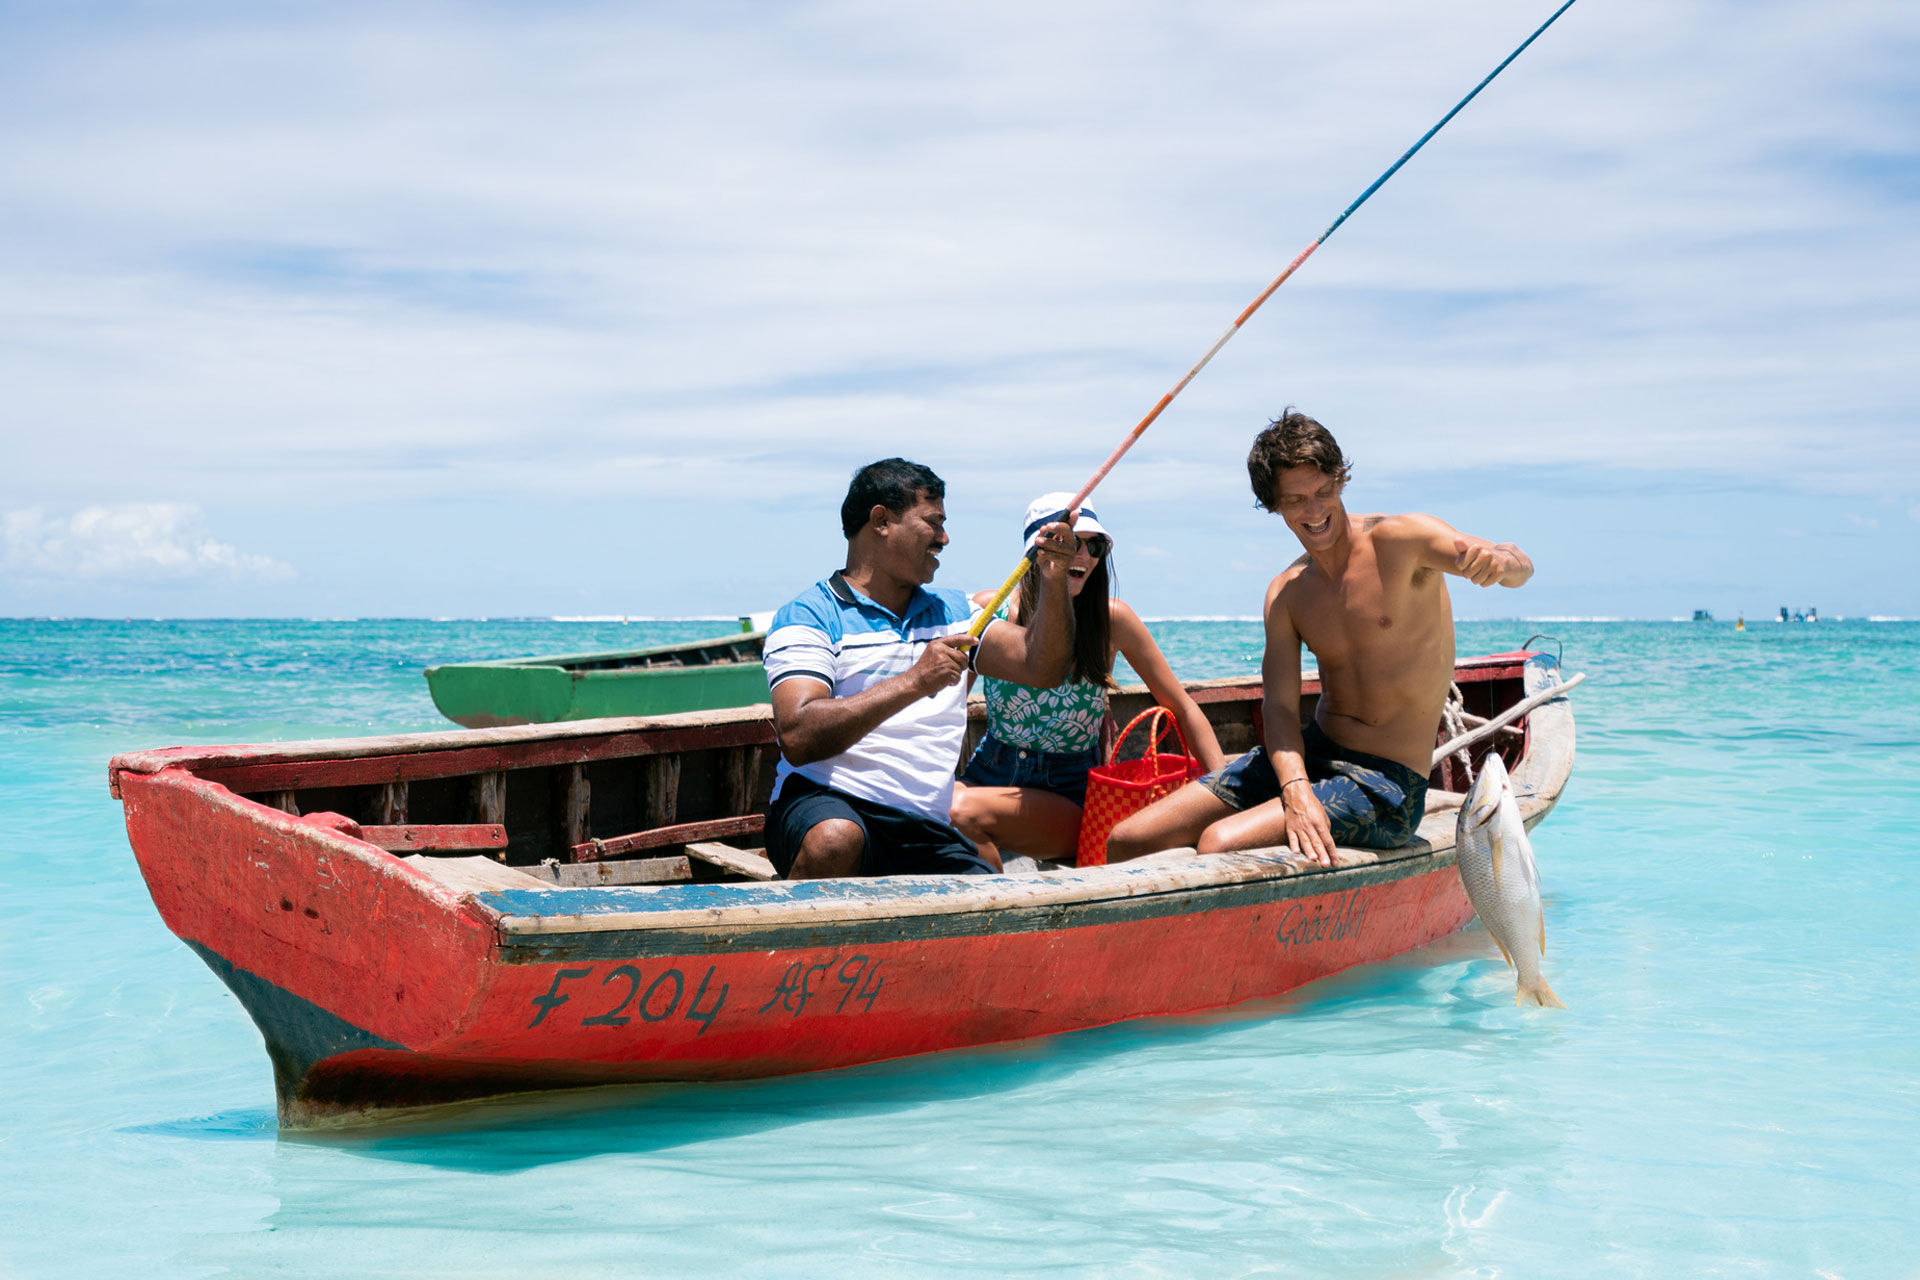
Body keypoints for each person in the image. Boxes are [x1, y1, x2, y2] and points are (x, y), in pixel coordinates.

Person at [1107, 408, 1534, 867]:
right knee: (1129, 839)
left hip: (1387, 785)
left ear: (1340, 481)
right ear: (1273, 505)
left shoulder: (1402, 541)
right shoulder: (1287, 594)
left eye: (1324, 491)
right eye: (1295, 500)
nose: (1314, 512)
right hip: (1310, 757)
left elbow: (1515, 562)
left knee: (1218, 843)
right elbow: (1280, 708)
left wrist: (1501, 565)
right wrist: (1294, 788)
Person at [763, 458, 1080, 879]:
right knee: (836, 839)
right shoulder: (810, 614)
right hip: (823, 802)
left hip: (923, 827)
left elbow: (1043, 668)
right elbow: (799, 735)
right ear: (881, 521)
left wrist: (1054, 578)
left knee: (987, 898)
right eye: (933, 522)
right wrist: (916, 680)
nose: (945, 538)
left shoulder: (956, 611)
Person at [949, 494, 1226, 866]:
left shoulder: (1111, 620)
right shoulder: (989, 610)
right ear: (1036, 549)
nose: (1082, 556)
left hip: (1065, 788)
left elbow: (1180, 706)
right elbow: (949, 709)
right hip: (988, 771)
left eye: (1093, 545)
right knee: (914, 816)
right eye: (1069, 543)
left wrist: (1224, 791)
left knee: (957, 812)